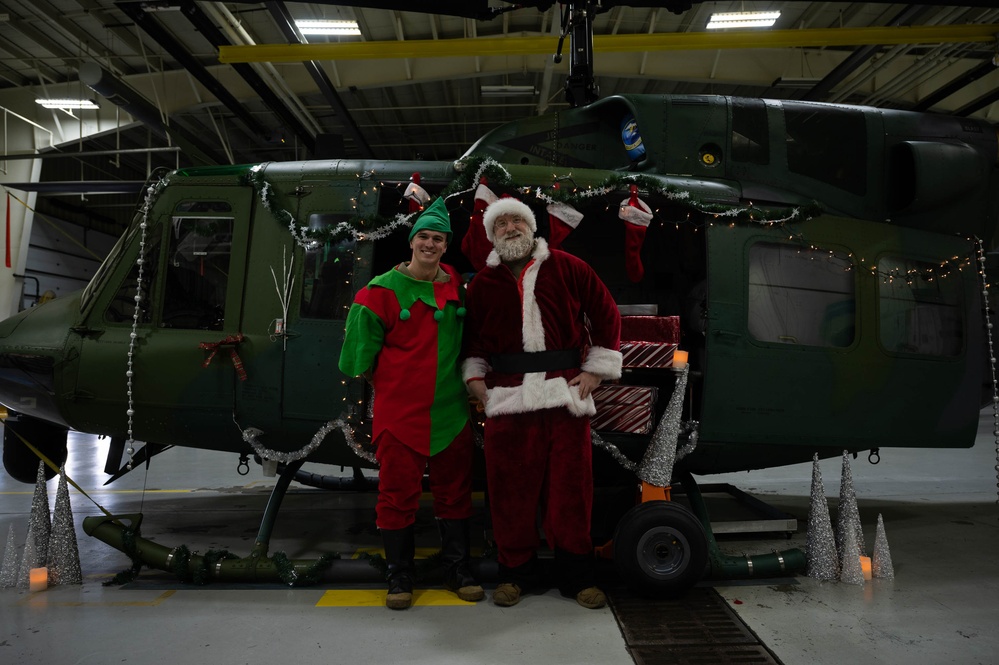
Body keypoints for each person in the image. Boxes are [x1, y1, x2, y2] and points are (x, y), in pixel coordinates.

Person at [462, 197, 622, 609]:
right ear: (493, 235)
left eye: (518, 220)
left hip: (563, 397)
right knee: (508, 492)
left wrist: (595, 369)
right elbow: (474, 341)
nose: (511, 227)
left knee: (571, 491)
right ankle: (516, 574)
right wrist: (475, 378)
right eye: (502, 224)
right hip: (508, 400)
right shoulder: (482, 284)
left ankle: (577, 577)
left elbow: (606, 315)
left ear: (531, 227)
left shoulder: (569, 267)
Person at [338, 197, 483, 610]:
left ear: (445, 245)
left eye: (438, 238)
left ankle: (458, 569)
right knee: (397, 495)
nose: (430, 244)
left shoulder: (455, 282)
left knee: (455, 493)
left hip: (451, 412)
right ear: (412, 241)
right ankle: (399, 576)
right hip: (400, 416)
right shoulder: (378, 293)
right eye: (424, 236)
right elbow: (356, 361)